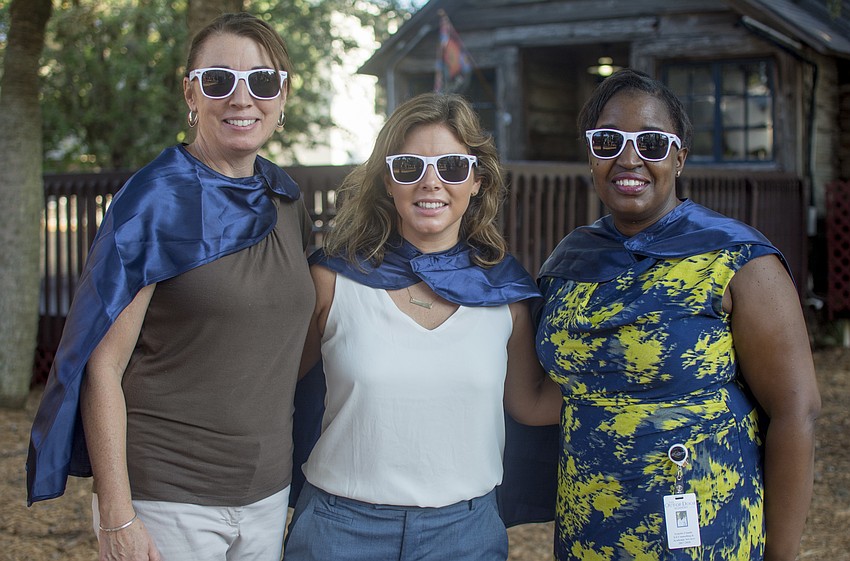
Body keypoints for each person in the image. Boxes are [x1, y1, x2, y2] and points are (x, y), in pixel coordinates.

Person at [26, 13, 314, 561]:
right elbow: (102, 366)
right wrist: (117, 511)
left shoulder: (286, 200)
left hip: (267, 494)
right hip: (167, 498)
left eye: (262, 81)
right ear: (191, 93)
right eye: (218, 81)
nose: (241, 98)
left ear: (282, 95)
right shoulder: (153, 203)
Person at [535, 68, 821, 560]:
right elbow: (552, 393)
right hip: (589, 531)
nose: (629, 158)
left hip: (706, 532)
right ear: (591, 155)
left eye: (651, 141)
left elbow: (797, 413)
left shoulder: (736, 259)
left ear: (679, 156)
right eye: (608, 141)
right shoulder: (570, 263)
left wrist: (783, 554)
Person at [283, 92, 561, 561]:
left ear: (477, 180)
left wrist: (641, 383)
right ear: (388, 182)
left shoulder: (505, 296)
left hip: (463, 534)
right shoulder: (332, 280)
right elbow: (274, 387)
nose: (430, 182)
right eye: (409, 167)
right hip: (339, 530)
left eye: (451, 166)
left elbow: (530, 404)